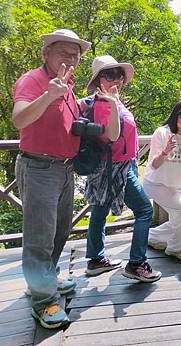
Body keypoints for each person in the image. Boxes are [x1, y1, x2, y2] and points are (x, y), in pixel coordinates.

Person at [12, 29, 91, 328]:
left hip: (64, 168)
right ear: (46, 54)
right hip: (39, 167)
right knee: (39, 237)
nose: (71, 59)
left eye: (76, 55)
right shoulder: (33, 80)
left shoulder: (67, 85)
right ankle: (44, 302)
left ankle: (46, 281)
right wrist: (49, 94)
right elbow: (19, 119)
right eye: (63, 52)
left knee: (59, 230)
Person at [84, 55, 161, 283]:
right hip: (115, 169)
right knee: (145, 210)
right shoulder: (104, 104)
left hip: (115, 166)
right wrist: (114, 103)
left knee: (99, 210)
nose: (115, 79)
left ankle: (95, 260)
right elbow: (112, 135)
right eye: (109, 75)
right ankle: (136, 263)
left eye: (118, 74)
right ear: (98, 80)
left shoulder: (110, 100)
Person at [144, 99, 181, 260]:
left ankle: (152, 237)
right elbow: (154, 165)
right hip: (156, 184)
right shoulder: (162, 133)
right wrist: (165, 152)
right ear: (176, 113)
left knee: (179, 219)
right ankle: (177, 248)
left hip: (176, 187)